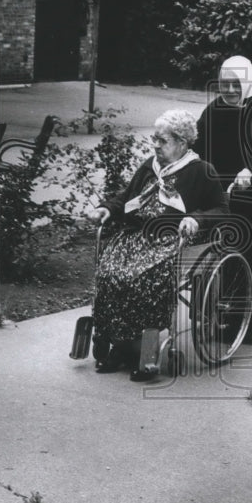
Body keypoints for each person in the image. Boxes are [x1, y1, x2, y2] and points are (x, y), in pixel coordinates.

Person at [89, 109, 227, 381]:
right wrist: (107, 208)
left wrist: (196, 219)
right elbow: (127, 198)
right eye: (155, 139)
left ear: (182, 143)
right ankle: (120, 344)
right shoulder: (149, 166)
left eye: (162, 141)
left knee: (145, 277)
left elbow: (222, 209)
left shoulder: (201, 170)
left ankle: (146, 350)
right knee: (109, 273)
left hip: (172, 241)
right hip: (136, 236)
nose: (155, 145)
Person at [195, 55, 252, 333]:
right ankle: (224, 310)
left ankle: (249, 320)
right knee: (228, 248)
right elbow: (199, 140)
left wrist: (250, 169)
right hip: (227, 192)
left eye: (237, 84)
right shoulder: (215, 109)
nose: (231, 90)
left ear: (247, 82)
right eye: (225, 84)